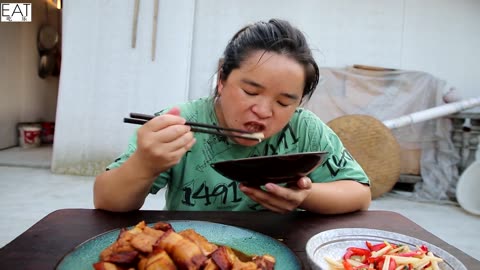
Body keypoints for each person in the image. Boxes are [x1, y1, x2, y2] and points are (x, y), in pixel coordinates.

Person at [94, 19, 371, 214]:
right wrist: (144, 164)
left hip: (281, 249)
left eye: (285, 101)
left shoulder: (304, 130)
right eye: (251, 91)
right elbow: (106, 201)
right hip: (192, 251)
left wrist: (306, 196)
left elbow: (359, 193)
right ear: (222, 78)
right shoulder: (180, 123)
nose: (263, 111)